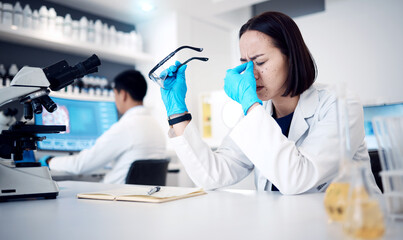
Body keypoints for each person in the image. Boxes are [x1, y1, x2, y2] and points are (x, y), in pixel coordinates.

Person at [159, 11, 379, 194]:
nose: (250, 74)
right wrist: (177, 112)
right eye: (244, 64)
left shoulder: (339, 104)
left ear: (291, 57)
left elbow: (298, 179)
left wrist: (250, 106)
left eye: (260, 61)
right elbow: (212, 174)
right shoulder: (258, 113)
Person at [39, 70, 166, 184]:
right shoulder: (156, 126)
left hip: (116, 200)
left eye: (115, 94)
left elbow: (81, 165)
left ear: (123, 95)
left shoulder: (126, 127)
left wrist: (50, 161)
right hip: (139, 200)